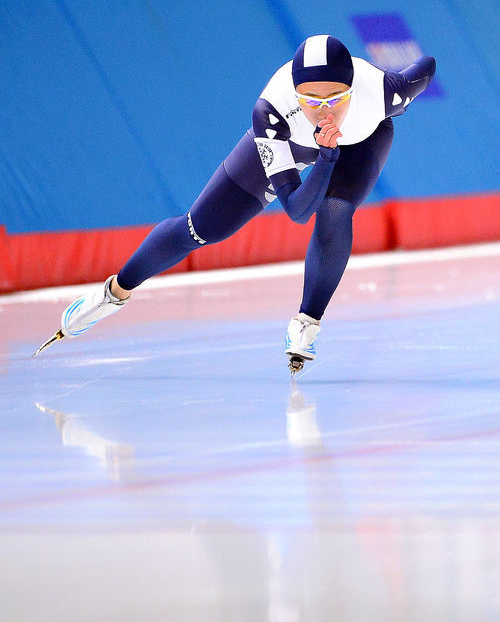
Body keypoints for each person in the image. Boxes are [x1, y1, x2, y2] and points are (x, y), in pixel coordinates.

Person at [34, 35, 436, 374]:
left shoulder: (385, 92)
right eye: (311, 100)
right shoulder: (271, 111)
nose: (323, 110)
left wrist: (335, 153)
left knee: (334, 211)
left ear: (353, 90)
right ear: (296, 93)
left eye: (335, 98)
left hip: (360, 141)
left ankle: (308, 321)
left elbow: (426, 67)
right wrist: (325, 156)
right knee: (200, 228)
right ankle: (114, 292)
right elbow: (296, 210)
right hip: (290, 142)